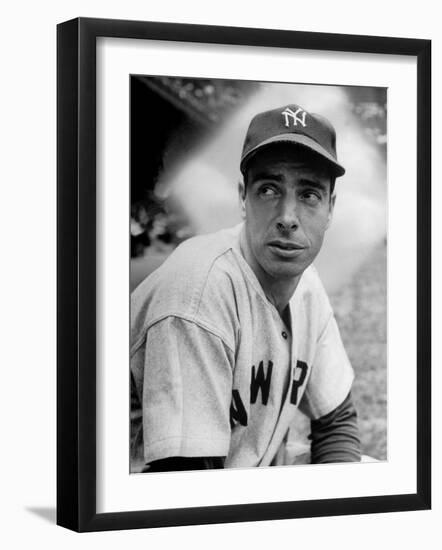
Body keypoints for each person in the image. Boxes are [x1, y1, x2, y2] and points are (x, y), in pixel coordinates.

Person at [130, 103, 361, 473]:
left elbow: (337, 423)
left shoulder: (306, 285)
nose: (288, 218)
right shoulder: (199, 294)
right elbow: (184, 486)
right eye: (269, 189)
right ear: (243, 197)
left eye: (309, 194)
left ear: (330, 208)